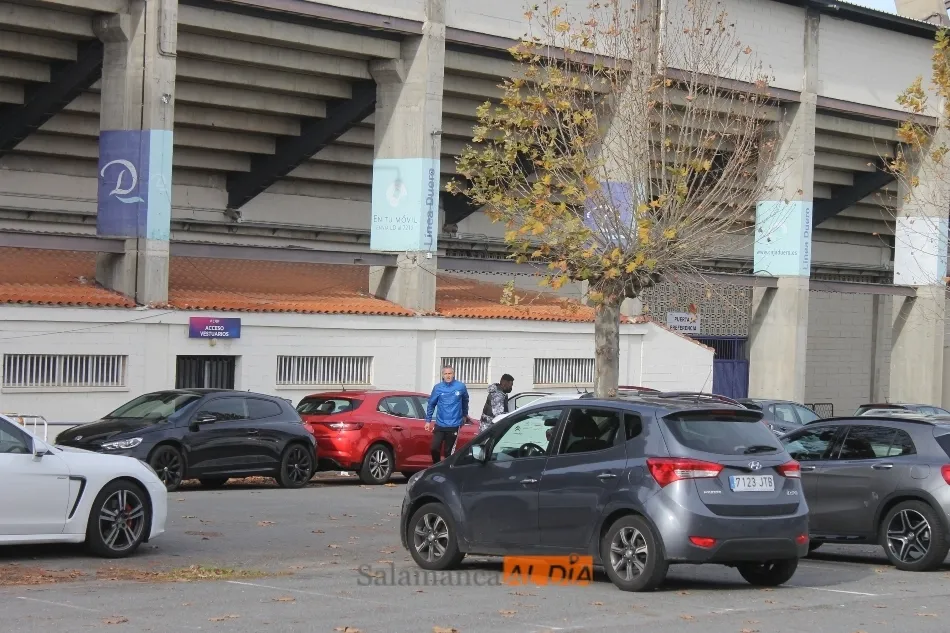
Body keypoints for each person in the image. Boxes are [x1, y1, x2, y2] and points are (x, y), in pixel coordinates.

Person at [425, 365, 471, 463]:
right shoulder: (438, 388)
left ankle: (447, 471)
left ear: (453, 374)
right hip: (440, 424)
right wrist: (428, 421)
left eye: (450, 373)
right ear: (442, 375)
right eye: (445, 374)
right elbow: (431, 404)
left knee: (448, 452)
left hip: (454, 424)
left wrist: (464, 415)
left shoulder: (460, 387)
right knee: (434, 448)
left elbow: (465, 401)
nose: (448, 376)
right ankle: (436, 466)